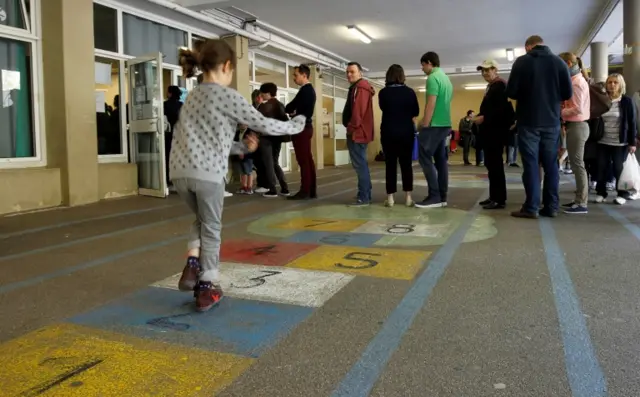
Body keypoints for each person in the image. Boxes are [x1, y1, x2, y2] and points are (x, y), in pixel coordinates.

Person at [170, 39, 306, 312]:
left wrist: (243, 147)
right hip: (208, 175)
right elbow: (263, 123)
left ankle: (193, 264)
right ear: (227, 66)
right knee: (212, 227)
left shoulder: (192, 97)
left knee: (201, 219)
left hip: (180, 173)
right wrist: (297, 124)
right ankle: (207, 286)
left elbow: (205, 140)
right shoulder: (227, 96)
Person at [506, 35, 573, 218]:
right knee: (551, 165)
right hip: (551, 122)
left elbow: (510, 91)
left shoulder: (521, 62)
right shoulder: (559, 63)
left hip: (528, 121)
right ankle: (551, 207)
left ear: (528, 47)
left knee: (531, 165)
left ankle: (531, 207)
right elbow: (568, 93)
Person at [415, 51, 453, 209]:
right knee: (441, 160)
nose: (422, 68)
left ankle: (434, 196)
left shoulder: (432, 78)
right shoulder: (446, 78)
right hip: (445, 125)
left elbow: (431, 103)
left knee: (424, 158)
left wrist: (424, 123)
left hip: (434, 125)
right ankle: (442, 196)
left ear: (429, 62)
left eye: (423, 65)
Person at [474, 59, 514, 210]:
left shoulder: (499, 86)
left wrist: (482, 117)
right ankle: (494, 196)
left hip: (495, 133)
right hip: (491, 132)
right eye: (482, 70)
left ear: (495, 70)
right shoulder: (492, 87)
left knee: (495, 166)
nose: (484, 73)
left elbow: (499, 111)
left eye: (487, 70)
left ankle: (499, 199)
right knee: (492, 166)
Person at [378, 64, 420, 207]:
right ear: (402, 76)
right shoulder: (410, 92)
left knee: (390, 164)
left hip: (388, 131)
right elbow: (416, 111)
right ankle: (408, 197)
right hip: (406, 132)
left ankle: (390, 198)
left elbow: (383, 108)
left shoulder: (383, 93)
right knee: (406, 164)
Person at [594, 73, 637, 205]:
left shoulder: (626, 101)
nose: (612, 85)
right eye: (610, 82)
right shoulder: (602, 100)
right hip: (602, 141)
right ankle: (601, 192)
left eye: (615, 82)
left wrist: (632, 142)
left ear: (621, 85)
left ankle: (622, 193)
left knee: (619, 168)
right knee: (601, 167)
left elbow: (632, 122)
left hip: (620, 142)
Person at [558, 52, 591, 214]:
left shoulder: (577, 82)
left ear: (569, 64)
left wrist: (560, 112)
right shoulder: (575, 80)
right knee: (576, 163)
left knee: (578, 164)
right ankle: (578, 200)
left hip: (578, 126)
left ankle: (582, 203)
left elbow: (578, 108)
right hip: (574, 126)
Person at [343, 61, 375, 206]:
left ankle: (364, 196)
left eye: (352, 72)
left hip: (357, 133)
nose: (349, 74)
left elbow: (358, 112)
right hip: (358, 132)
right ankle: (365, 193)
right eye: (347, 72)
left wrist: (351, 128)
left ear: (360, 72)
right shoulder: (357, 87)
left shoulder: (361, 88)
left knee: (360, 165)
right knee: (361, 164)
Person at [286, 64, 317, 200]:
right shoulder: (309, 91)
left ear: (304, 75)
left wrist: (294, 112)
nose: (294, 78)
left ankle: (305, 190)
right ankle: (311, 190)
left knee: (303, 160)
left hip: (302, 129)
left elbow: (289, 107)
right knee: (308, 160)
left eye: (295, 75)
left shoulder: (305, 91)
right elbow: (291, 108)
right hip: (306, 127)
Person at [256, 82, 291, 198]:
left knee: (268, 164)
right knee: (275, 162)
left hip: (266, 138)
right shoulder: (280, 105)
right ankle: (285, 188)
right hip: (278, 138)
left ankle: (272, 190)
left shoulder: (265, 106)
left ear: (268, 93)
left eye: (262, 92)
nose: (261, 94)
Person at [164, 86, 183, 189]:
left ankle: (168, 178)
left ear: (170, 93)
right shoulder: (181, 105)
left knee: (167, 156)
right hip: (179, 135)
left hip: (168, 134)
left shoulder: (165, 105)